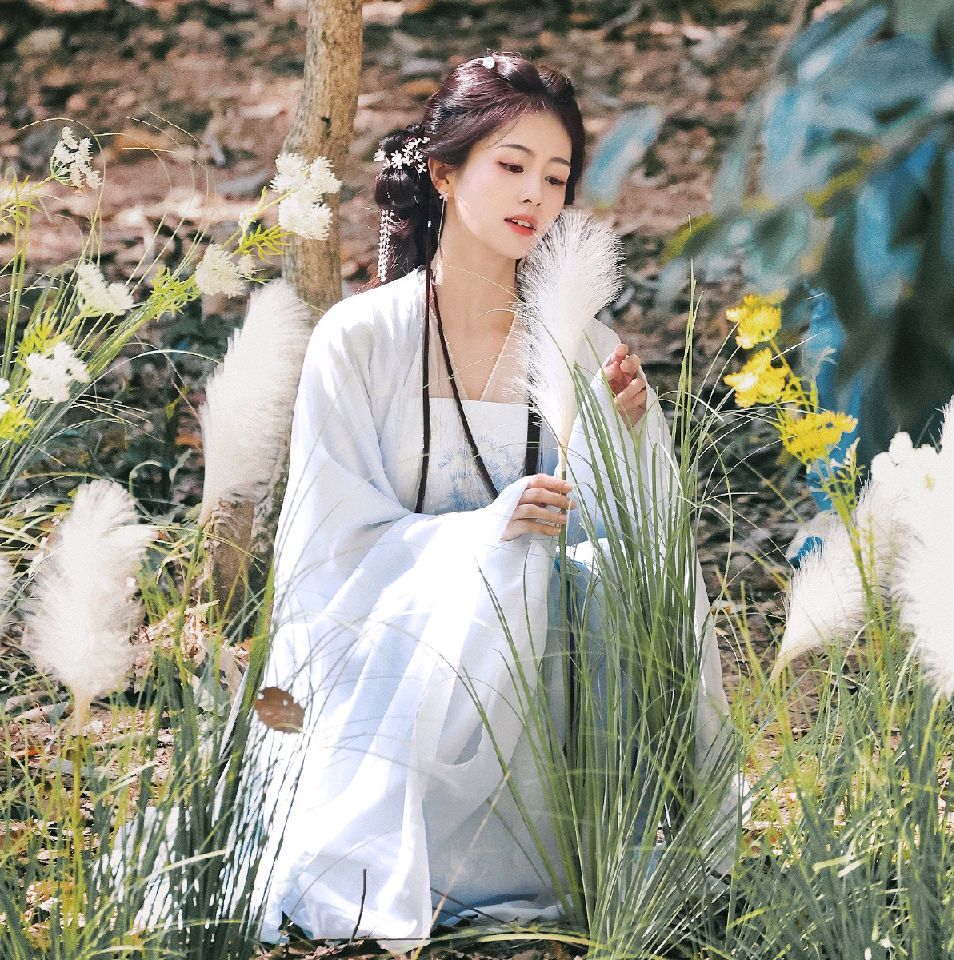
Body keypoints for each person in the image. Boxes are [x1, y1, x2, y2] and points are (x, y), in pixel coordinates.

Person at [253, 51, 732, 952]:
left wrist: (627, 443)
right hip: (401, 677)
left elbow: (638, 542)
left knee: (578, 575)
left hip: (554, 689)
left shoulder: (580, 342)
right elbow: (328, 553)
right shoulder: (360, 340)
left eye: (555, 177)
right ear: (444, 171)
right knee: (516, 568)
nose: (534, 196)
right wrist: (483, 539)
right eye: (511, 165)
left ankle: (596, 855)